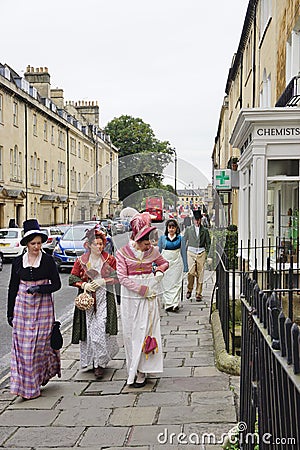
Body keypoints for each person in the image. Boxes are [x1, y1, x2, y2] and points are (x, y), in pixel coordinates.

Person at [7, 219, 62, 400]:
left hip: (43, 308)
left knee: (38, 347)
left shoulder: (47, 261)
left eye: (39, 243)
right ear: (26, 244)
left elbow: (57, 284)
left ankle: (37, 380)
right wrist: (10, 313)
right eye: (33, 243)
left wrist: (40, 289)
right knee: (23, 348)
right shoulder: (17, 262)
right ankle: (25, 387)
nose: (37, 247)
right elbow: (12, 287)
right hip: (22, 307)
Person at [116, 213, 169, 388]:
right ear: (136, 240)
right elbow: (122, 278)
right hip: (131, 297)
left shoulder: (152, 251)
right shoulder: (122, 253)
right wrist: (141, 289)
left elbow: (164, 262)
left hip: (150, 297)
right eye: (146, 242)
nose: (149, 245)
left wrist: (160, 271)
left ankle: (145, 369)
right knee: (131, 333)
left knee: (147, 330)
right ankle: (135, 369)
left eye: (150, 242)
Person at [69, 225, 119, 379]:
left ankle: (100, 363)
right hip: (87, 299)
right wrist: (84, 284)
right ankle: (93, 361)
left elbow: (118, 277)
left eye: (101, 244)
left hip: (105, 296)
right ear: (89, 245)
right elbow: (72, 278)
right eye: (95, 244)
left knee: (101, 327)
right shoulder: (81, 261)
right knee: (90, 331)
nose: (98, 246)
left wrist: (104, 281)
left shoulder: (110, 259)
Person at [157, 219, 188, 312]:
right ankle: (168, 303)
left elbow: (183, 252)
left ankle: (175, 303)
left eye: (173, 227)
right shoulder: (162, 238)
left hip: (177, 263)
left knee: (176, 283)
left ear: (176, 228)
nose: (171, 229)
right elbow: (158, 252)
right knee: (166, 284)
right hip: (166, 263)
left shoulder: (180, 238)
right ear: (167, 228)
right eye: (169, 227)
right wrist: (155, 264)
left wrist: (186, 265)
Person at [184, 209, 211, 302]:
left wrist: (209, 255)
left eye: (198, 219)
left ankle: (198, 293)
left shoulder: (205, 230)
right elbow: (184, 241)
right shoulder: (188, 229)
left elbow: (208, 243)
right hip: (191, 252)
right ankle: (189, 289)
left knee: (200, 273)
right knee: (191, 272)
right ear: (193, 220)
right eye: (195, 219)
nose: (197, 221)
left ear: (201, 219)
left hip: (201, 252)